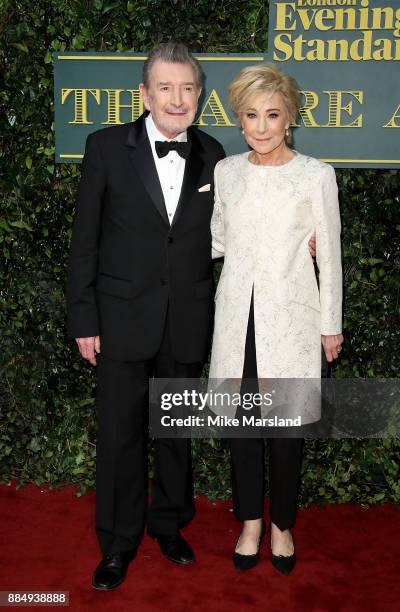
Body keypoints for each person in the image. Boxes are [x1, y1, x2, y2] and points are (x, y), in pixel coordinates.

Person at [66, 42, 226, 590]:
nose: (177, 99)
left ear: (199, 95)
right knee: (120, 436)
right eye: (165, 87)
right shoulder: (106, 147)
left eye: (187, 88)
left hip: (185, 316)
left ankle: (169, 524)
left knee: (176, 430)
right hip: (119, 318)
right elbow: (84, 242)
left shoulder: (213, 151)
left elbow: (231, 233)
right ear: (145, 93)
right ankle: (117, 542)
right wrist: (84, 318)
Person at [209, 63, 343, 575]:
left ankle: (282, 524)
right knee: (242, 428)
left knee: (287, 432)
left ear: (290, 118)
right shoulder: (227, 172)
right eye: (250, 115)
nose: (261, 126)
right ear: (239, 120)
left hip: (292, 320)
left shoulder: (316, 175)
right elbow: (216, 240)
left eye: (272, 115)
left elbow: (329, 255)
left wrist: (330, 324)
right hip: (235, 320)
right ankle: (249, 523)